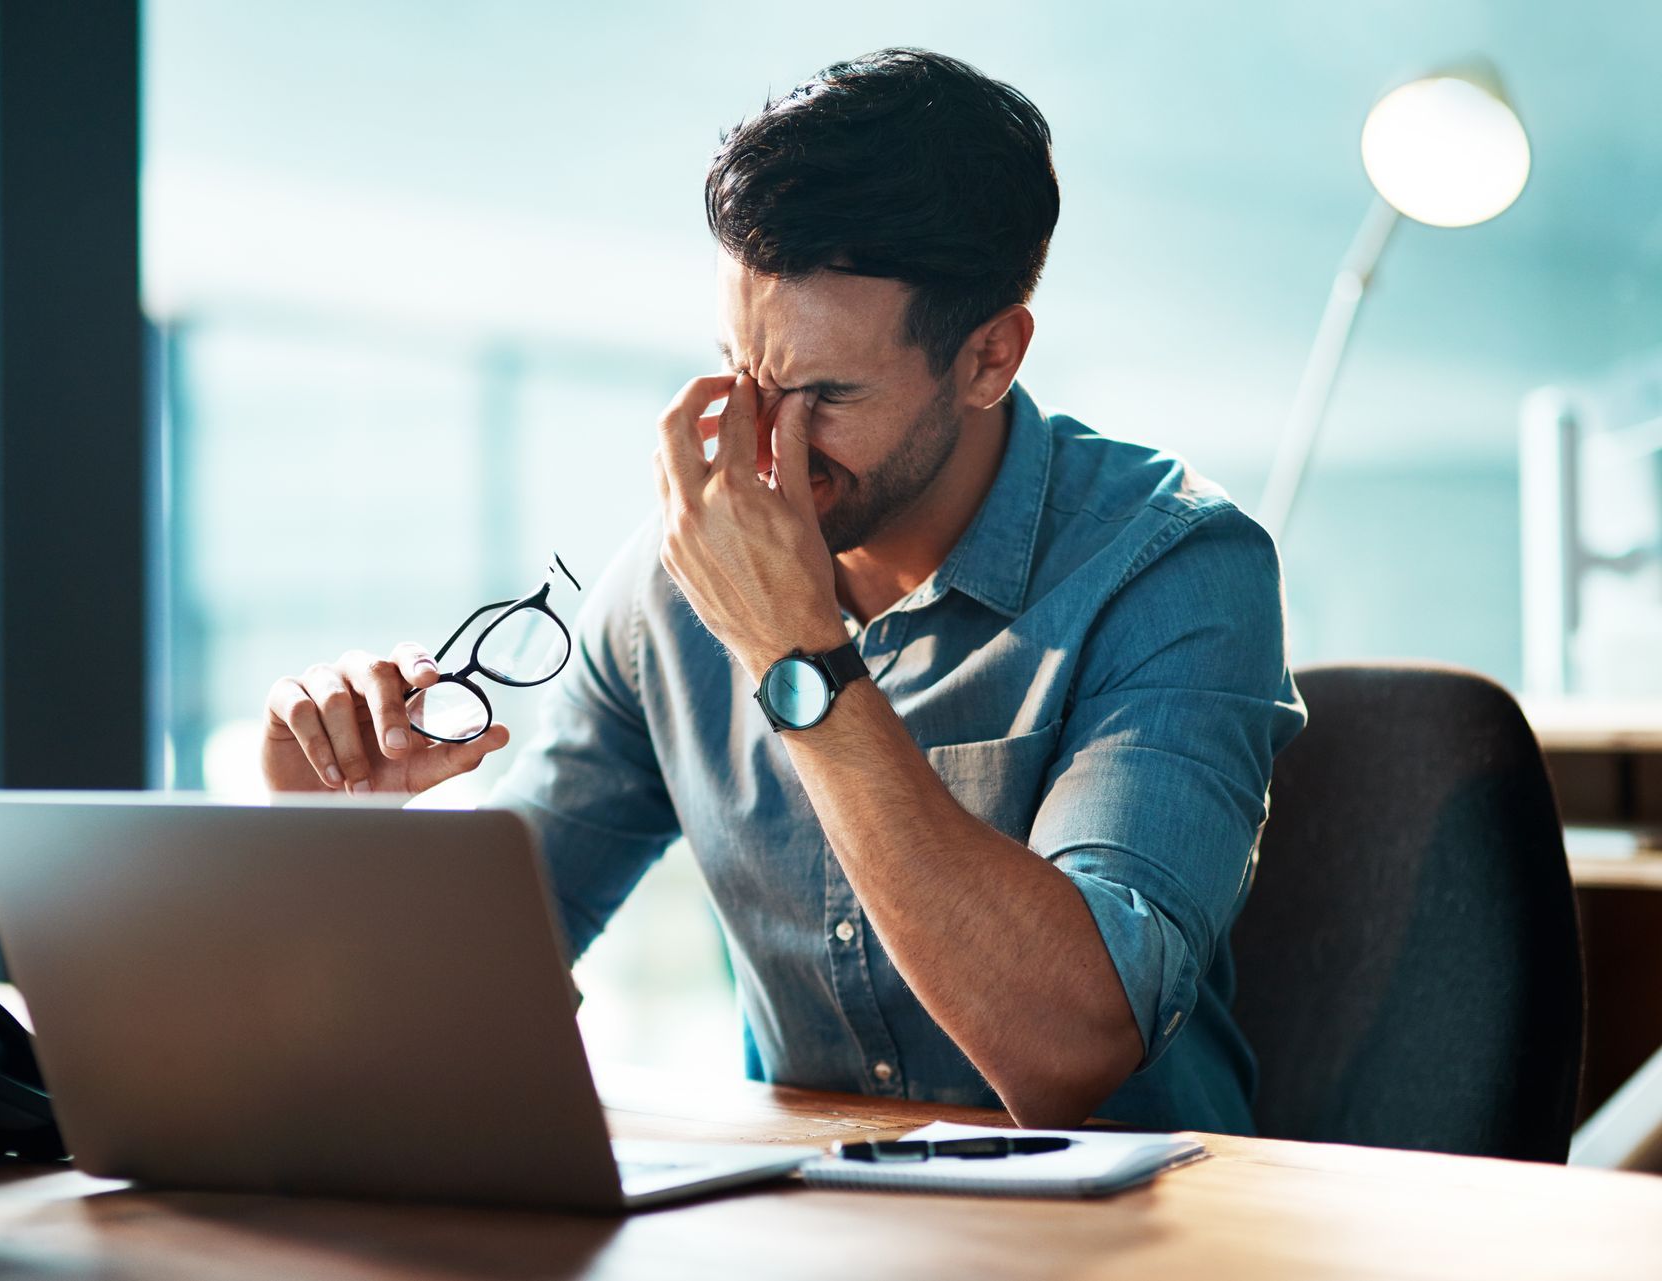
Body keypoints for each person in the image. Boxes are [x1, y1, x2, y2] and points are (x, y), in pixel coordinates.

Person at [260, 48, 1305, 1133]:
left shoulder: (1179, 573)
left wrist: (796, 654)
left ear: (990, 357)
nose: (764, 442)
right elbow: (473, 997)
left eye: (827, 395)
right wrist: (342, 845)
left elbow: (1070, 1048)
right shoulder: (670, 598)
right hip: (808, 1223)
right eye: (743, 373)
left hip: (1130, 1236)